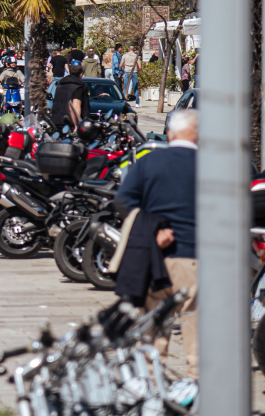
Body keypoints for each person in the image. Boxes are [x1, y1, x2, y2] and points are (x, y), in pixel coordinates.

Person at [115, 109, 198, 381]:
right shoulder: (212, 165)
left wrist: (152, 229)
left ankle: (151, 390)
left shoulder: (149, 162)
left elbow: (124, 200)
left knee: (152, 335)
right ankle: (199, 394)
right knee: (195, 333)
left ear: (170, 134)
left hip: (153, 259)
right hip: (194, 260)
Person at [51, 62, 90, 127]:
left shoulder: (60, 85)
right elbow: (75, 108)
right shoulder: (78, 88)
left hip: (57, 123)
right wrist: (76, 125)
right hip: (70, 124)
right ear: (80, 75)